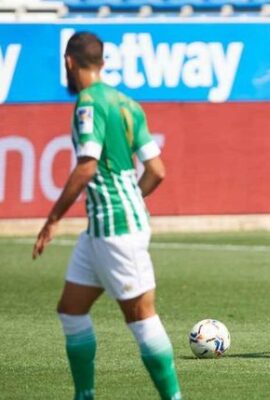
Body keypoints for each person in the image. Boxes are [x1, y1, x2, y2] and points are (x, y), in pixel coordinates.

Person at [32, 32, 182, 399]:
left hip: (117, 230)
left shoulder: (88, 103)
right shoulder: (126, 103)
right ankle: (84, 395)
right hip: (100, 230)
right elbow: (157, 169)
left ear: (70, 62)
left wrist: (52, 219)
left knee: (140, 316)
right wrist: (133, 196)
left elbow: (86, 166)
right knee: (71, 310)